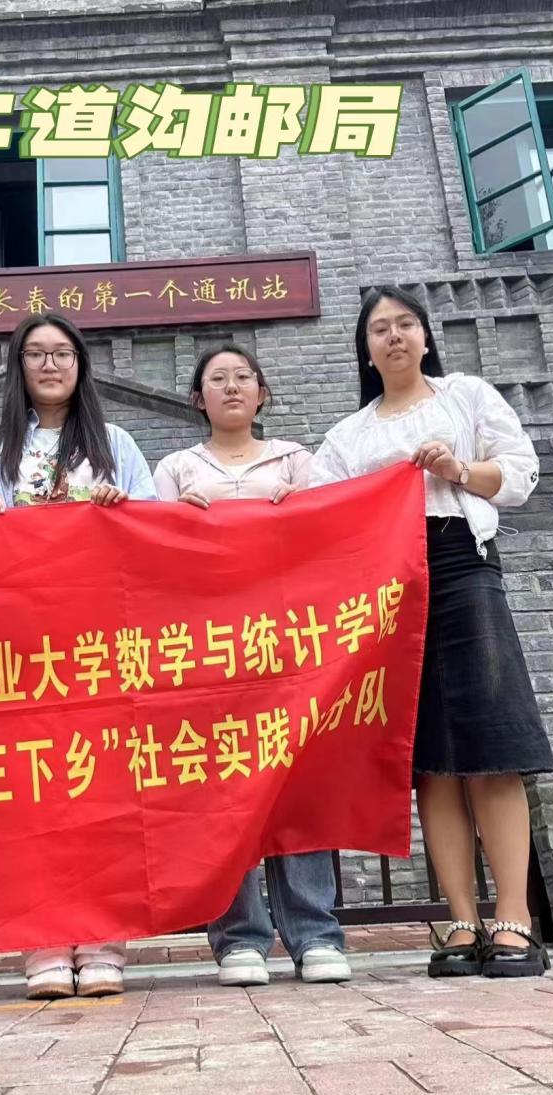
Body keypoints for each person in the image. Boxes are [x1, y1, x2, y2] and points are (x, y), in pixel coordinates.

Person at [310, 285, 553, 979]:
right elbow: (319, 512)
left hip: (463, 567)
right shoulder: (348, 436)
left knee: (492, 743)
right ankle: (460, 917)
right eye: (379, 328)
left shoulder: (466, 396)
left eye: (405, 324)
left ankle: (515, 917)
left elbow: (521, 474)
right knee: (430, 757)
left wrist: (458, 470)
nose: (394, 336)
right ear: (365, 349)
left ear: (424, 337)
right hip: (389, 590)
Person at [0, 312, 156, 1000]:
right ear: (18, 367)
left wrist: (120, 506)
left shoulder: (115, 442)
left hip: (99, 642)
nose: (50, 364)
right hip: (20, 646)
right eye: (36, 354)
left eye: (62, 353)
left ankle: (103, 939)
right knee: (30, 792)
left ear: (81, 365)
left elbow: (154, 529)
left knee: (103, 788)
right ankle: (43, 939)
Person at [153, 343, 350, 988]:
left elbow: (335, 539)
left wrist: (306, 509)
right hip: (208, 647)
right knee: (223, 786)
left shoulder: (296, 461)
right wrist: (174, 522)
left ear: (262, 393)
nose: (232, 386)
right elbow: (151, 553)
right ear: (198, 397)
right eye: (218, 378)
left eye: (244, 377)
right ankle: (238, 937)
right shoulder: (177, 468)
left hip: (289, 644)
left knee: (296, 783)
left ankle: (315, 933)